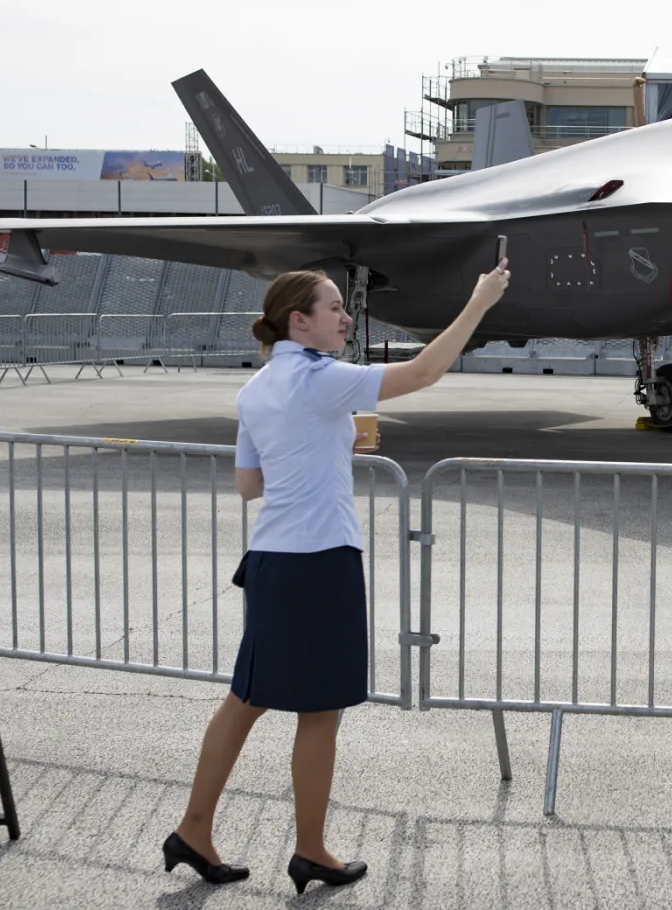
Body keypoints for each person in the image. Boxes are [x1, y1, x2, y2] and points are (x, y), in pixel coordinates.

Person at [161, 256, 510, 894]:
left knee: (246, 699)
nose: (346, 316)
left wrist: (318, 446)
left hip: (271, 559)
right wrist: (480, 301)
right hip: (320, 560)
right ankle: (312, 849)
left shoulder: (257, 388)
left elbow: (248, 485)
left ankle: (195, 828)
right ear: (301, 322)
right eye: (334, 308)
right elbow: (426, 371)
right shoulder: (322, 378)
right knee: (320, 710)